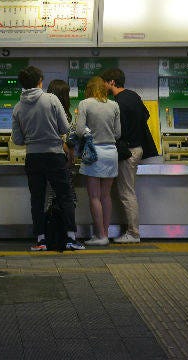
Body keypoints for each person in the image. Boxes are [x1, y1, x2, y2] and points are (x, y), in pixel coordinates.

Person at [12, 66, 82, 251]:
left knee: (37, 198)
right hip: (54, 155)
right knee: (65, 196)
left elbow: (17, 140)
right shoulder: (51, 99)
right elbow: (65, 128)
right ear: (40, 81)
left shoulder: (18, 107)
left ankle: (41, 240)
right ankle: (70, 238)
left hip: (33, 157)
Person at [100, 68, 152, 243]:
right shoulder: (133, 95)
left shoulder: (117, 102)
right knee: (127, 191)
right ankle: (131, 231)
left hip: (127, 152)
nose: (103, 86)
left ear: (112, 82)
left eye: (104, 82)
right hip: (137, 148)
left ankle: (133, 233)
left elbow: (117, 131)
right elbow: (146, 114)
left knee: (126, 192)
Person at [75, 76, 121, 246]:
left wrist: (89, 133)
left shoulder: (84, 104)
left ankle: (99, 235)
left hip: (94, 153)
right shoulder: (114, 105)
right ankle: (105, 233)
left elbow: (80, 131)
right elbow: (118, 133)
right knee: (106, 195)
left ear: (89, 88)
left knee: (94, 196)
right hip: (111, 153)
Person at [46, 79, 81, 242]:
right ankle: (68, 234)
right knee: (68, 198)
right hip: (62, 162)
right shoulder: (67, 114)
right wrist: (69, 150)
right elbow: (69, 138)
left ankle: (49, 233)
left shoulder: (45, 111)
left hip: (47, 158)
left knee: (49, 198)